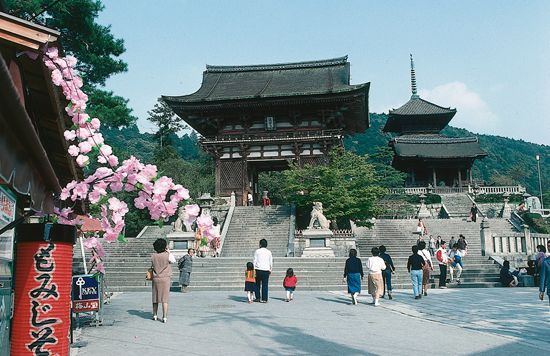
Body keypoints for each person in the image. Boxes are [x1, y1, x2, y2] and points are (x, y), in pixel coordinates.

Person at [151, 238, 176, 323]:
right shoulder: (167, 255)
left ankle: (154, 314)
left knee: (155, 297)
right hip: (165, 278)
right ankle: (164, 317)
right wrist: (168, 251)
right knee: (164, 298)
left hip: (155, 278)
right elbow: (173, 261)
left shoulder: (153, 256)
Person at [254, 239, 273, 303]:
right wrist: (270, 269)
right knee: (265, 285)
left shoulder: (257, 251)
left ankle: (258, 298)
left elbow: (255, 261)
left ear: (260, 244)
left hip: (258, 269)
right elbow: (271, 261)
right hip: (266, 270)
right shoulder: (269, 252)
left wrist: (254, 269)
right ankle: (264, 299)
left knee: (257, 284)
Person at [538, 240, 550, 306]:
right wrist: (541, 291)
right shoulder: (545, 262)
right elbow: (543, 277)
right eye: (548, 246)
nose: (549, 248)